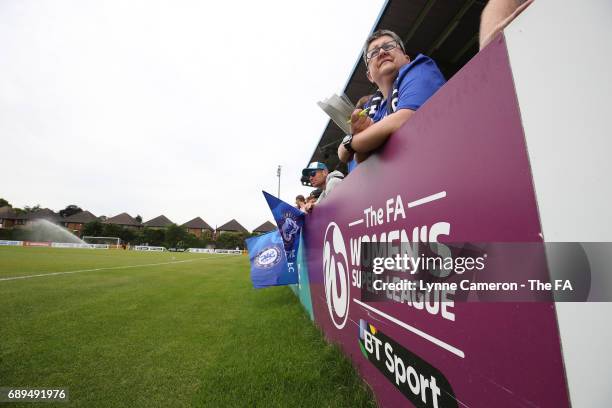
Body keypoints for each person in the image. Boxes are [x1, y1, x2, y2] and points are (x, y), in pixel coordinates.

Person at [338, 30, 445, 165]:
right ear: (370, 76)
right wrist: (360, 145)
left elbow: (405, 118)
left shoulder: (420, 68)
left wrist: (349, 144)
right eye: (374, 52)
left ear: (407, 59)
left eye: (388, 46)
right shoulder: (369, 109)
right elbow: (362, 160)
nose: (382, 52)